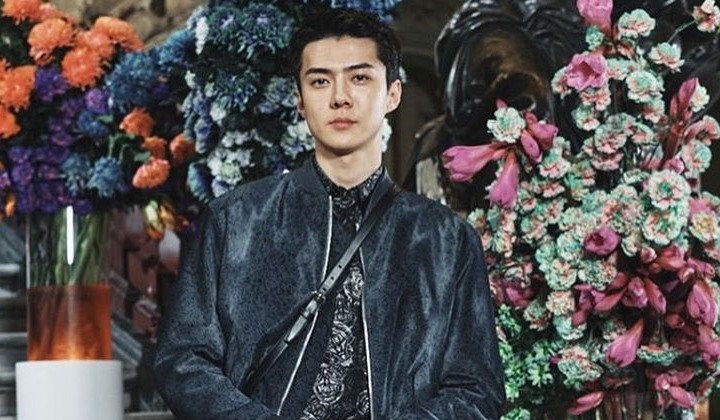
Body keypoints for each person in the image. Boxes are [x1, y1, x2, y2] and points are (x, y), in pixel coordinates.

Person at [153, 6, 505, 420]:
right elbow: (183, 361)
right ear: (300, 100)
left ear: (393, 94)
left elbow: (476, 389)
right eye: (320, 81)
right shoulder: (235, 221)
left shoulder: (444, 239)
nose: (340, 97)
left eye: (360, 78)